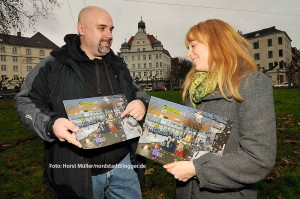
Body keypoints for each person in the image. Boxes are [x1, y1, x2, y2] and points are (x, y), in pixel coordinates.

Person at [15, 6, 149, 199]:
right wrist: (50, 125)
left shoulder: (119, 64)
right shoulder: (54, 64)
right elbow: (25, 100)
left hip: (123, 165)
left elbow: (138, 92)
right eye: (102, 28)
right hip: (78, 171)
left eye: (111, 29)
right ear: (82, 29)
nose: (109, 35)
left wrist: (141, 102)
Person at [163, 19, 276, 198]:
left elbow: (258, 158)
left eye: (193, 46)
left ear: (216, 43)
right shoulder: (194, 88)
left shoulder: (251, 84)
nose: (189, 54)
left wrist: (196, 169)